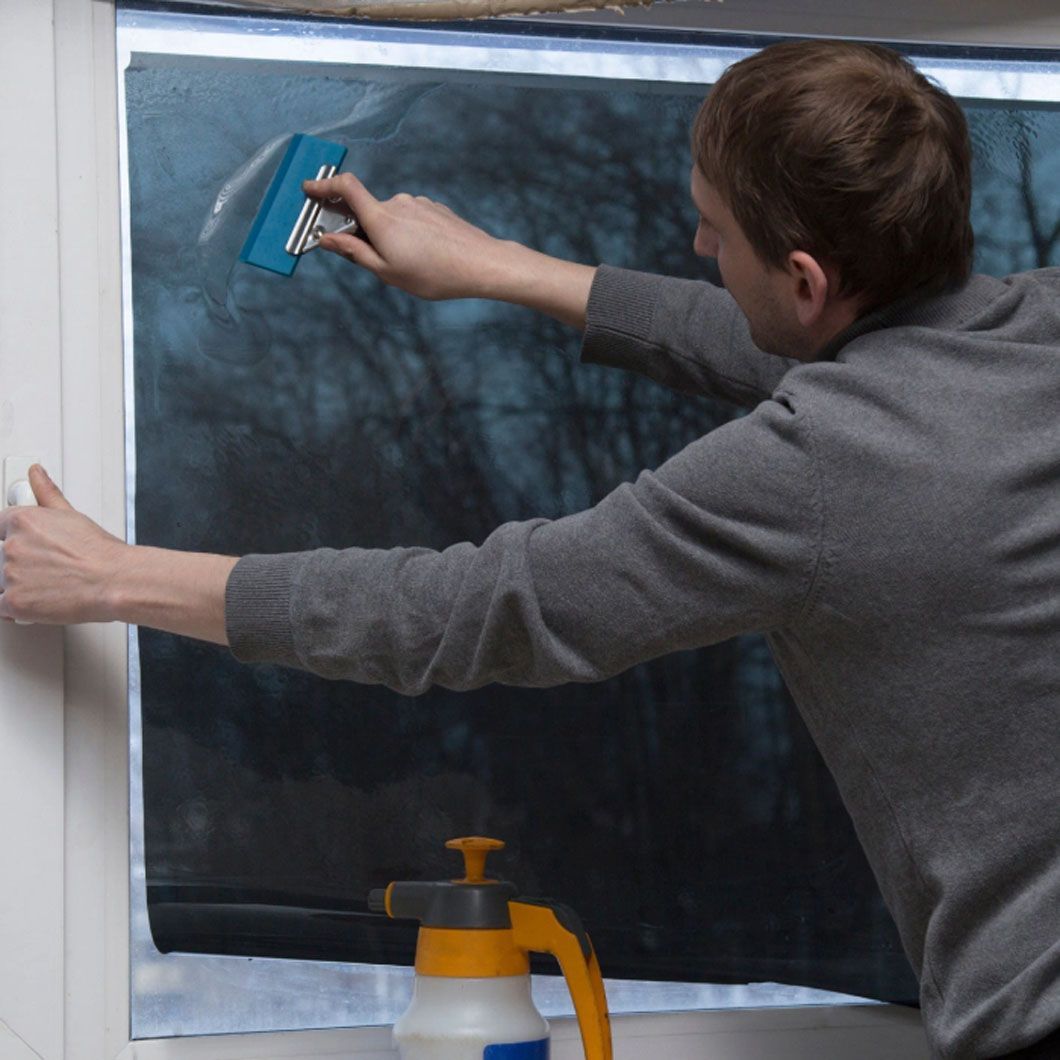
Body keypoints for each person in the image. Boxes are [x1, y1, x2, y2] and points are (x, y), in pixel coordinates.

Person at [0, 38, 1056, 1060]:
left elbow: (475, 607)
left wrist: (114, 575)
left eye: (713, 229)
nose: (697, 248)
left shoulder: (815, 467)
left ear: (808, 279)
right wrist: (501, 268)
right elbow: (848, 358)